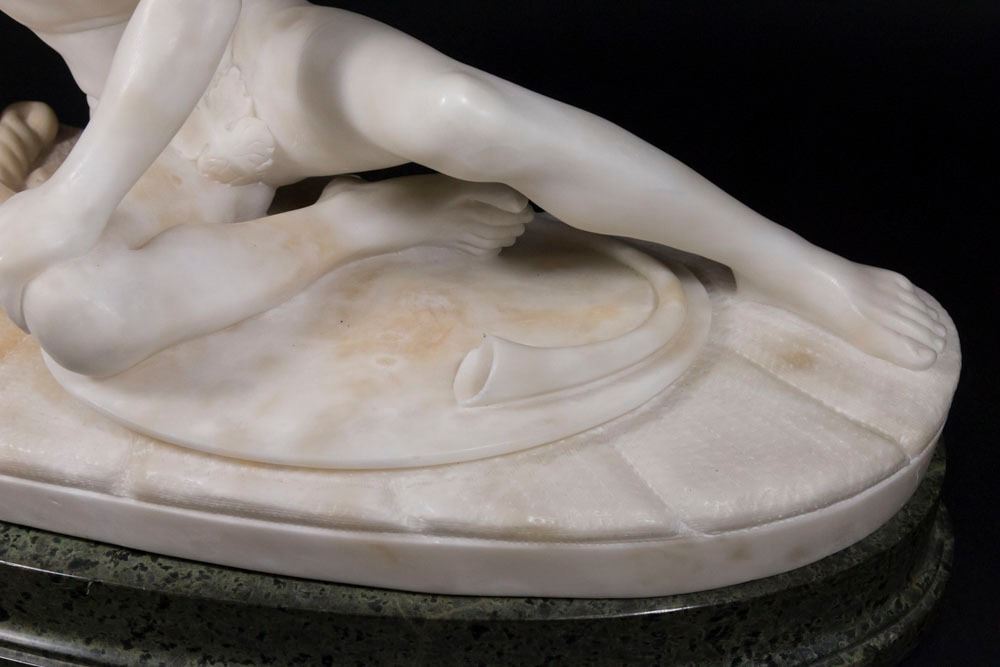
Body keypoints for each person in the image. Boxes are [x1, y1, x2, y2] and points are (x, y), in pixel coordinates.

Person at [0, 0, 945, 378]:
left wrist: (82, 195)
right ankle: (359, 222)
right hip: (159, 155)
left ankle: (789, 261)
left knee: (465, 114)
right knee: (73, 314)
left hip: (259, 63)